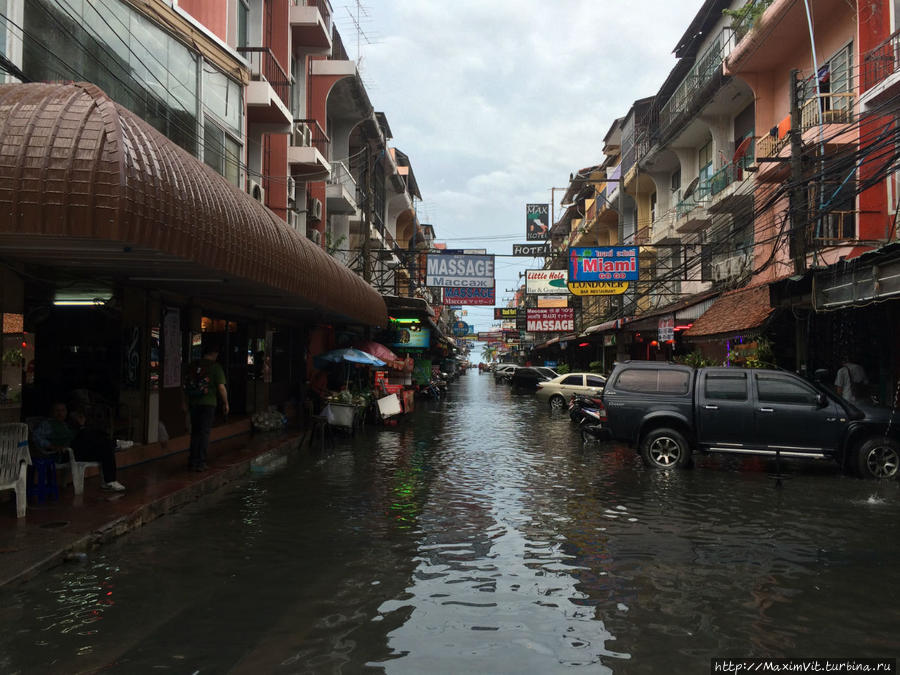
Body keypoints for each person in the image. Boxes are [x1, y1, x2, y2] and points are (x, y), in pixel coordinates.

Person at [33, 401, 125, 491]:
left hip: (77, 452)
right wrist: (53, 446)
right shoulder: (47, 424)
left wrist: (81, 425)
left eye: (63, 410)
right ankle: (116, 443)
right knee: (86, 433)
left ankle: (110, 481)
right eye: (57, 411)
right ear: (52, 412)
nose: (60, 413)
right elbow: (37, 437)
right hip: (64, 454)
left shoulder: (66, 425)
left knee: (106, 449)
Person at [182, 343, 228, 472]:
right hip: (208, 403)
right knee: (204, 432)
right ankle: (201, 462)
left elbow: (185, 386)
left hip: (193, 403)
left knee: (195, 432)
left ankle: (192, 460)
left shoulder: (193, 365)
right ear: (214, 353)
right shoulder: (215, 367)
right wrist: (226, 403)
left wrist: (184, 402)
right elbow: (221, 387)